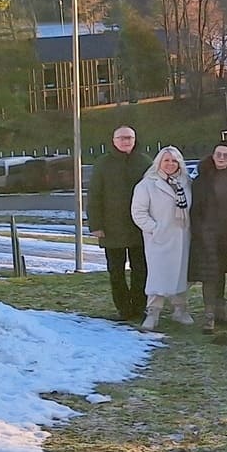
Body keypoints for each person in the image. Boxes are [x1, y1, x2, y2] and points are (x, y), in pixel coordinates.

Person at [89, 125, 149, 321]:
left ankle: (139, 307)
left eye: (130, 137)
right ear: (114, 140)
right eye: (122, 137)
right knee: (116, 272)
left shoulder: (144, 162)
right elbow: (94, 195)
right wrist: (96, 225)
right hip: (111, 228)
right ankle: (123, 309)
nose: (126, 141)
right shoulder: (103, 163)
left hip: (139, 228)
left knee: (141, 271)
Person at [130, 146, 194, 331]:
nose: (170, 164)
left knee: (181, 274)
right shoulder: (147, 184)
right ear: (159, 162)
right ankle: (153, 312)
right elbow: (138, 212)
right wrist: (154, 229)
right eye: (166, 160)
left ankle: (180, 309)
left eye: (174, 160)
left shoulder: (186, 183)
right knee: (158, 275)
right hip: (158, 238)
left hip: (182, 236)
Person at [188, 142, 227, 332]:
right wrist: (199, 232)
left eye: (226, 155)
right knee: (211, 277)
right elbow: (195, 210)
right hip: (209, 235)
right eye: (218, 154)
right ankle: (210, 317)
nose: (221, 157)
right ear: (212, 156)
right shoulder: (202, 180)